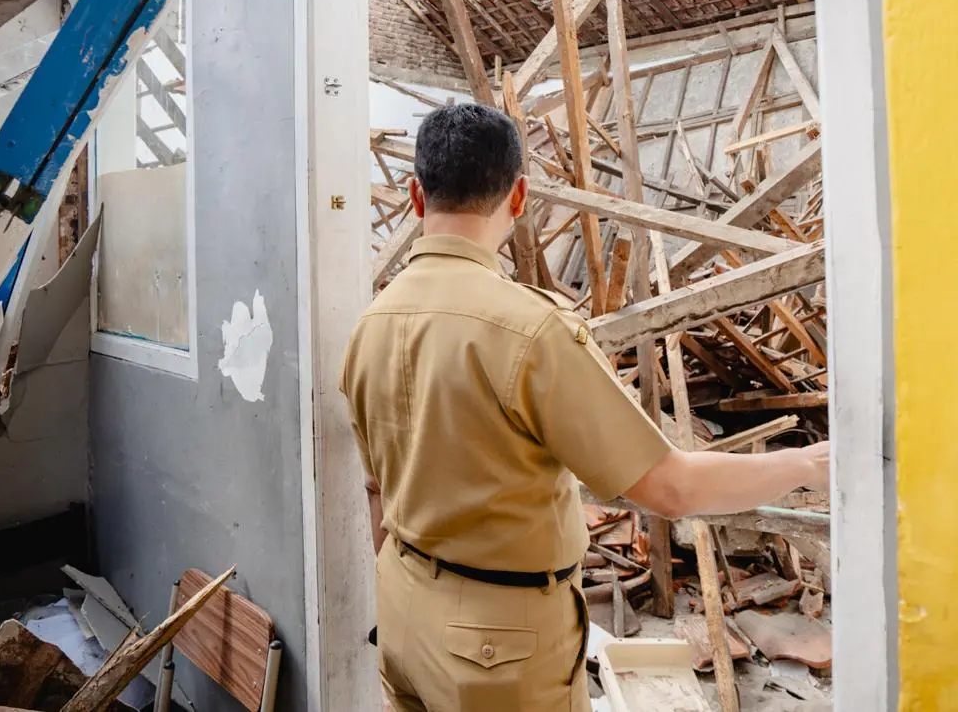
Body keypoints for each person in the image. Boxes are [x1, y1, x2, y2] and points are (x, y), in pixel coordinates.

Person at [340, 103, 829, 712]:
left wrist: (405, 578)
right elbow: (669, 489)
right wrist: (809, 465)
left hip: (401, 607)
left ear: (416, 196)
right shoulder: (527, 330)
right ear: (519, 198)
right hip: (498, 647)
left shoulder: (370, 325)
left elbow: (375, 487)